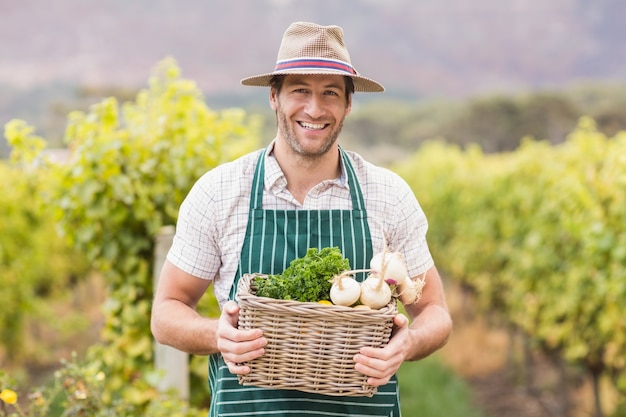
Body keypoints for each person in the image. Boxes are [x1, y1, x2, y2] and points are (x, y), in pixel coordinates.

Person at [151, 21, 453, 417]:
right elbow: (166, 312)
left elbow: (436, 312)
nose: (314, 108)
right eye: (300, 90)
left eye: (330, 93)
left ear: (348, 104)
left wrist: (408, 344)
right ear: (274, 96)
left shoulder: (388, 195)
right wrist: (217, 335)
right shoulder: (220, 191)